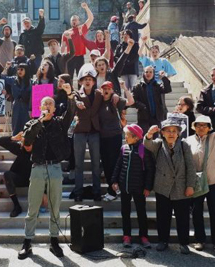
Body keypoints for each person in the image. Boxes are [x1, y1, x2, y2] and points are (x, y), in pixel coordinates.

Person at [18, 84, 76, 260]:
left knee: (55, 206)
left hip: (55, 167)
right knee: (33, 207)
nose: (48, 106)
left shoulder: (59, 123)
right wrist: (40, 121)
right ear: (40, 107)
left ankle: (54, 241)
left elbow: (71, 113)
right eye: (45, 103)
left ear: (55, 107)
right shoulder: (32, 123)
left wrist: (70, 95)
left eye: (51, 103)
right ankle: (27, 242)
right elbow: (27, 139)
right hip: (37, 167)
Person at [143, 120, 196, 254]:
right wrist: (149, 133)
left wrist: (190, 185)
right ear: (162, 133)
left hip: (181, 186)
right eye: (168, 130)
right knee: (163, 216)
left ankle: (184, 243)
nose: (171, 133)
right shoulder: (159, 144)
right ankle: (163, 241)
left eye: (174, 131)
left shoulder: (184, 145)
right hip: (163, 187)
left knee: (183, 217)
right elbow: (147, 144)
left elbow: (190, 167)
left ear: (178, 133)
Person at [186, 102, 215, 253]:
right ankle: (199, 239)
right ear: (194, 127)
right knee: (197, 211)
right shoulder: (188, 140)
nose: (201, 128)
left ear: (209, 127)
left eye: (204, 125)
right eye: (198, 125)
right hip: (196, 181)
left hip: (213, 180)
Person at [112, 123, 154, 248]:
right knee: (125, 212)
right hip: (125, 187)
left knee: (141, 212)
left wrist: (147, 187)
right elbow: (118, 165)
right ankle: (126, 236)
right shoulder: (124, 148)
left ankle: (144, 236)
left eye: (128, 135)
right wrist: (114, 180)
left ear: (136, 137)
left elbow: (150, 170)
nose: (125, 138)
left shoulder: (143, 150)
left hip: (139, 188)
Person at [99, 81, 134, 202]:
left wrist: (124, 87)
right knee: (106, 164)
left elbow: (131, 102)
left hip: (115, 135)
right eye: (104, 88)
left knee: (114, 163)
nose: (106, 90)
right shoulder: (98, 101)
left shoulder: (116, 101)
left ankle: (114, 189)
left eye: (108, 88)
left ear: (112, 90)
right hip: (102, 137)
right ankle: (112, 189)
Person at [72, 68, 103, 202]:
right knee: (79, 164)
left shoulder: (99, 94)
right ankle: (78, 191)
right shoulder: (76, 94)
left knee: (96, 163)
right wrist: (76, 102)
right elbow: (72, 99)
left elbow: (109, 97)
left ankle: (96, 191)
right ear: (81, 82)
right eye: (85, 79)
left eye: (90, 79)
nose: (88, 81)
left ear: (94, 82)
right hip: (80, 131)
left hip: (94, 131)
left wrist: (114, 95)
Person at [0, 133, 33, 217]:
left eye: (29, 145)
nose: (27, 147)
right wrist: (13, 138)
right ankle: (16, 206)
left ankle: (35, 207)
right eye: (25, 145)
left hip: (34, 180)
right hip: (19, 178)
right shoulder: (20, 149)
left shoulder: (39, 151)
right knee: (7, 174)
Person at [131, 66, 172, 133]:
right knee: (144, 137)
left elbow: (167, 89)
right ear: (143, 73)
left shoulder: (157, 85)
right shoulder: (137, 86)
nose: (148, 73)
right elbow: (133, 101)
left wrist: (164, 78)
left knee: (155, 138)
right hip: (144, 117)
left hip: (156, 117)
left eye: (150, 72)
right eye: (146, 72)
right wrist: (142, 106)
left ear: (153, 74)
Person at [62, 2, 94, 76]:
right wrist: (61, 57)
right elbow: (63, 46)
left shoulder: (82, 28)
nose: (74, 21)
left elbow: (91, 18)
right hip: (70, 57)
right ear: (70, 22)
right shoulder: (66, 32)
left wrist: (86, 8)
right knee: (69, 76)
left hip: (80, 57)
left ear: (78, 21)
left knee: (81, 76)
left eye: (75, 20)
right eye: (73, 20)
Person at [2, 63, 32, 135]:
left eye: (21, 69)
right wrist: (6, 68)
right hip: (17, 105)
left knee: (26, 126)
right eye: (18, 69)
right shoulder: (13, 79)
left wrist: (31, 109)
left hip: (27, 105)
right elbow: (2, 77)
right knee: (16, 126)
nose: (19, 71)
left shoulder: (31, 82)